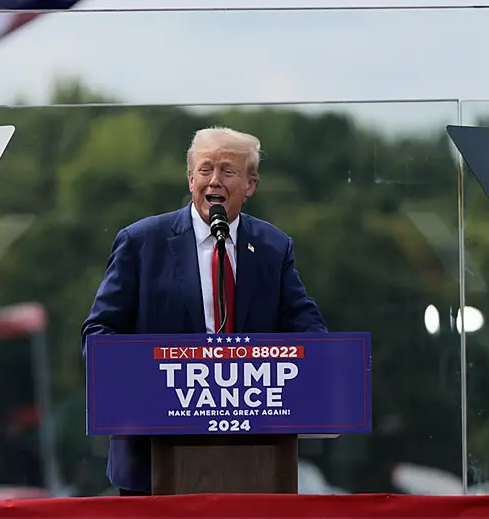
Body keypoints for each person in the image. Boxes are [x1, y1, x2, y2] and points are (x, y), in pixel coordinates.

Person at [81, 126, 328, 496]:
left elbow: (306, 327)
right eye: (205, 169)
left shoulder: (273, 248)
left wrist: (320, 361)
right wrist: (146, 376)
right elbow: (99, 333)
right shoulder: (141, 242)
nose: (215, 180)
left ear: (250, 185)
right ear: (190, 177)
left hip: (252, 459)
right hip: (151, 462)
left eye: (228, 170)